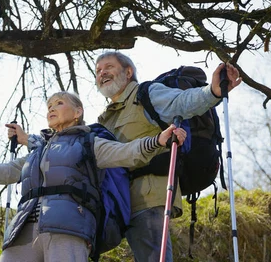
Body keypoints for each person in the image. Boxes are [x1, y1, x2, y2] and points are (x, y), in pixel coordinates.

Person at [0, 91, 187, 262]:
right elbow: (3, 171)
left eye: (59, 103)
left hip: (68, 229)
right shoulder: (37, 151)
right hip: (23, 230)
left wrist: (157, 141)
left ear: (77, 112)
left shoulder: (89, 143)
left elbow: (127, 153)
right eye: (49, 106)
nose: (51, 109)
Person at [94, 51, 242, 262]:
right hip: (119, 202)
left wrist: (212, 92)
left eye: (108, 67)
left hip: (149, 197)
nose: (102, 73)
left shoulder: (146, 94)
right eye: (98, 71)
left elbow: (182, 102)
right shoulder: (105, 118)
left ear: (128, 72)